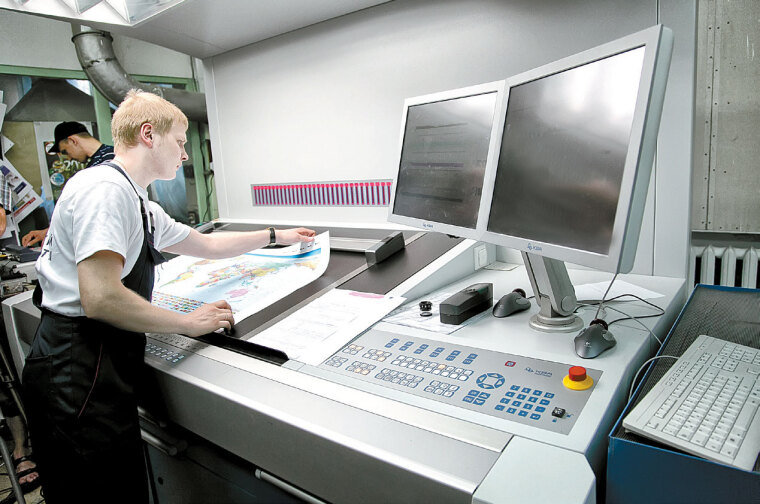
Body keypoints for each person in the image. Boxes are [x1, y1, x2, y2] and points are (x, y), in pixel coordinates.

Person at [21, 89, 315, 503]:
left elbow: (206, 245)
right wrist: (186, 323)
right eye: (179, 141)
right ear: (148, 135)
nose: (185, 154)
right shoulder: (105, 191)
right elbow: (100, 297)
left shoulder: (135, 199)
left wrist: (275, 235)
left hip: (99, 361)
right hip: (79, 368)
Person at [21, 122, 115, 247]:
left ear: (73, 141)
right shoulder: (94, 164)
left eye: (65, 151)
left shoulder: (112, 158)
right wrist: (49, 232)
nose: (69, 158)